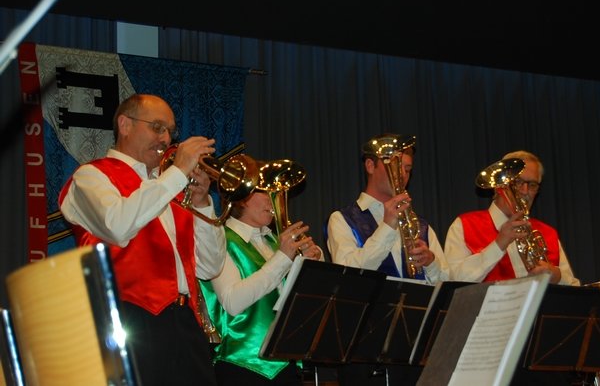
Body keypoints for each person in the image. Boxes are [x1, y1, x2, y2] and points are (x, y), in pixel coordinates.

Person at [58, 93, 225, 385]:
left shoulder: (170, 187)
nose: (166, 139)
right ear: (124, 125)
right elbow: (117, 226)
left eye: (170, 132)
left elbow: (210, 266)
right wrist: (177, 173)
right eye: (157, 127)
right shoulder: (91, 176)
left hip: (185, 323)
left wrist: (201, 203)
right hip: (127, 320)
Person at [325, 132, 449, 385]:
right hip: (363, 349)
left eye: (407, 169)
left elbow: (448, 285)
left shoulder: (422, 226)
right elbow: (349, 273)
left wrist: (431, 263)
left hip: (416, 348)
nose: (402, 174)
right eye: (394, 166)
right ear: (370, 166)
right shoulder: (342, 219)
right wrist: (387, 226)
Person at [200, 182, 324, 386]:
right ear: (241, 197)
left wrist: (310, 266)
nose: (272, 199)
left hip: (286, 364)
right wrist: (282, 258)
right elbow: (232, 302)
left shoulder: (275, 242)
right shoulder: (220, 239)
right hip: (242, 365)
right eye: (264, 191)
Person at [444, 150, 580, 285]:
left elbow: (575, 288)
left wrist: (557, 276)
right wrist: (498, 244)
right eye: (518, 182)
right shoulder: (464, 225)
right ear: (498, 186)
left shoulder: (548, 233)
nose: (525, 191)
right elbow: (452, 280)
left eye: (532, 185)